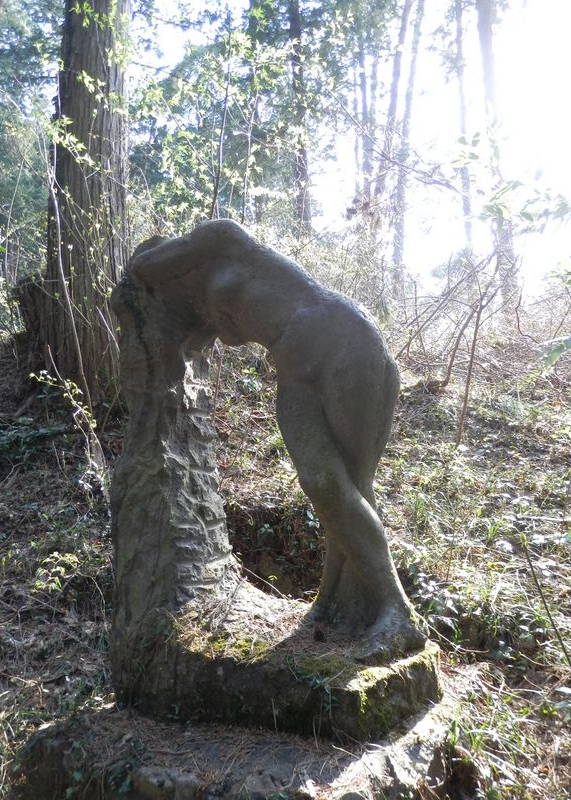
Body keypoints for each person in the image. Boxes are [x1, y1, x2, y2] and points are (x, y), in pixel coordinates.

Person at [129, 219, 427, 659]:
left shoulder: (219, 238)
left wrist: (158, 258)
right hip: (293, 369)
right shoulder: (204, 298)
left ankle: (397, 613)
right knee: (329, 486)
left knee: (342, 485)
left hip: (342, 340)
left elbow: (142, 268)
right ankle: (333, 605)